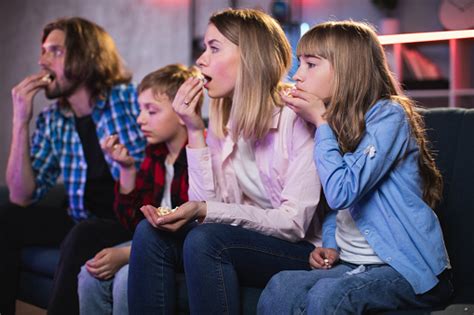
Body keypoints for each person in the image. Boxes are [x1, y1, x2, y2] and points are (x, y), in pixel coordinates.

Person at [128, 8, 325, 315]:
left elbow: (294, 223)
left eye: (214, 48)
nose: (200, 60)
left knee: (206, 240)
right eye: (204, 48)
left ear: (249, 57)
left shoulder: (297, 119)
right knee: (150, 233)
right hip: (237, 242)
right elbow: (207, 207)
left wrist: (207, 211)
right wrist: (194, 129)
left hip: (301, 249)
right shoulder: (225, 120)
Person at [257, 20, 453, 314]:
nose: (297, 76)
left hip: (407, 269)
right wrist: (331, 243)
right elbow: (342, 209)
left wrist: (320, 123)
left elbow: (342, 191)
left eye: (310, 64)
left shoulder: (389, 116)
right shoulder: (338, 122)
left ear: (347, 69)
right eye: (300, 64)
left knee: (328, 297)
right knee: (281, 286)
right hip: (353, 263)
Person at [0, 17, 146, 315]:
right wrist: (20, 122)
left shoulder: (130, 100)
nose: (42, 61)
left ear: (86, 55)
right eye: (42, 51)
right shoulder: (52, 119)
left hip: (126, 219)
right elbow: (21, 195)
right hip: (80, 217)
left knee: (84, 234)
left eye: (54, 51)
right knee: (6, 217)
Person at [77, 64, 202, 315]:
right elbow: (131, 221)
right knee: (89, 274)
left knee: (125, 280)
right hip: (148, 240)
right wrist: (127, 170)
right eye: (140, 109)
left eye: (151, 110)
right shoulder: (155, 153)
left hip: (183, 248)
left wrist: (126, 254)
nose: (140, 119)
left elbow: (194, 230)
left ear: (181, 113)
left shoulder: (200, 155)